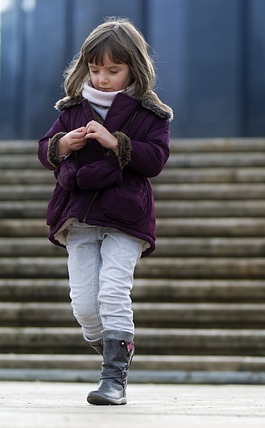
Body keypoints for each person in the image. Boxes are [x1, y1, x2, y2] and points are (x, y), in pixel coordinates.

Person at [37, 17, 173, 406]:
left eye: (113, 70)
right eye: (95, 70)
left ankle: (113, 379)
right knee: (84, 305)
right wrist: (63, 144)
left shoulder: (151, 114)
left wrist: (117, 143)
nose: (102, 78)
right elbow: (45, 149)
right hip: (78, 216)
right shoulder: (72, 108)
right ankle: (118, 348)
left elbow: (156, 159)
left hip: (126, 216)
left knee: (113, 292)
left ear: (134, 68)